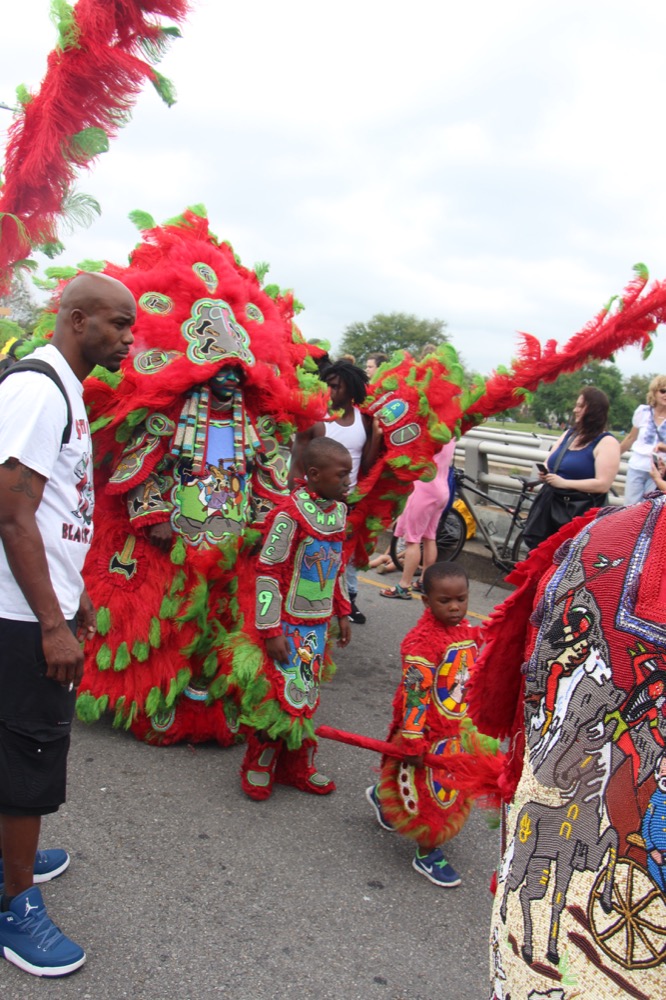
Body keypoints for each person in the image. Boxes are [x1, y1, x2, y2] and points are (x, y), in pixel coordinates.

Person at [0, 272, 135, 977]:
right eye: (119, 323)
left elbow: (55, 510)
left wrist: (72, 596)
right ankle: (15, 903)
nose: (128, 338)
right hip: (20, 617)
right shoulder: (39, 389)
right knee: (30, 754)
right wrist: (52, 622)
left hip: (35, 605)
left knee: (15, 749)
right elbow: (11, 512)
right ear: (78, 320)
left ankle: (10, 854)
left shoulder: (66, 391)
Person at [367, 562, 498, 887]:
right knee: (433, 797)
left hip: (456, 730)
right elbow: (415, 695)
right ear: (426, 601)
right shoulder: (422, 643)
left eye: (461, 599)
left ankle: (384, 797)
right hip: (427, 734)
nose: (455, 607)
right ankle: (427, 852)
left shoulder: (467, 632)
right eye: (445, 601)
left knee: (442, 787)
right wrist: (413, 739)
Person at [238, 437, 352, 800]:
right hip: (286, 625)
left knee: (305, 695)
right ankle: (260, 762)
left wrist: (343, 612)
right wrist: (270, 629)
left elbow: (337, 566)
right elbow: (267, 571)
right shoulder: (288, 515)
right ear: (314, 474)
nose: (348, 481)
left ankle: (296, 765)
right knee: (278, 697)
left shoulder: (339, 513)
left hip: (317, 626)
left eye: (349, 474)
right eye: (342, 474)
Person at [289, 360, 382, 624]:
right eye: (327, 385)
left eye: (336, 386)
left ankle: (346, 603)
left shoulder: (363, 421)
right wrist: (297, 503)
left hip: (347, 505)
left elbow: (366, 466)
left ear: (351, 389)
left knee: (344, 557)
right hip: (313, 505)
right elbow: (297, 465)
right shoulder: (314, 419)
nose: (329, 391)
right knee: (312, 556)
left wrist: (376, 437)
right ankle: (302, 606)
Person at [522, 386, 620, 550]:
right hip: (550, 504)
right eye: (576, 405)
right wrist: (545, 473)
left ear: (594, 410)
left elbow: (603, 484)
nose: (575, 410)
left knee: (565, 556)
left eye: (581, 406)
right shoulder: (570, 434)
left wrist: (565, 483)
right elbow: (549, 461)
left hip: (577, 511)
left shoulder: (607, 442)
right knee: (539, 553)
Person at [380, 440, 456, 599]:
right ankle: (424, 582)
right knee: (430, 537)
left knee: (412, 539)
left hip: (423, 487)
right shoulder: (450, 433)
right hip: (442, 488)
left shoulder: (427, 431)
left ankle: (404, 585)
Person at [620, 374, 666, 504]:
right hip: (637, 465)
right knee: (630, 505)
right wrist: (614, 455)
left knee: (650, 507)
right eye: (663, 391)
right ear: (654, 392)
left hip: (659, 470)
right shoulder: (643, 411)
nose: (665, 395)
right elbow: (631, 438)